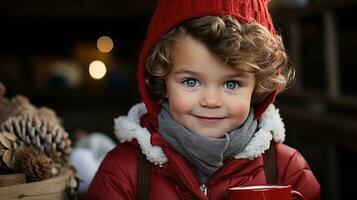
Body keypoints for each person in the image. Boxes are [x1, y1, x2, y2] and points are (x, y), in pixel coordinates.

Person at [87, 0, 320, 199]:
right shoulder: (124, 171)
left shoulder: (287, 169)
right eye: (191, 81)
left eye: (232, 84)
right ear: (163, 80)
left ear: (258, 88)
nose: (210, 101)